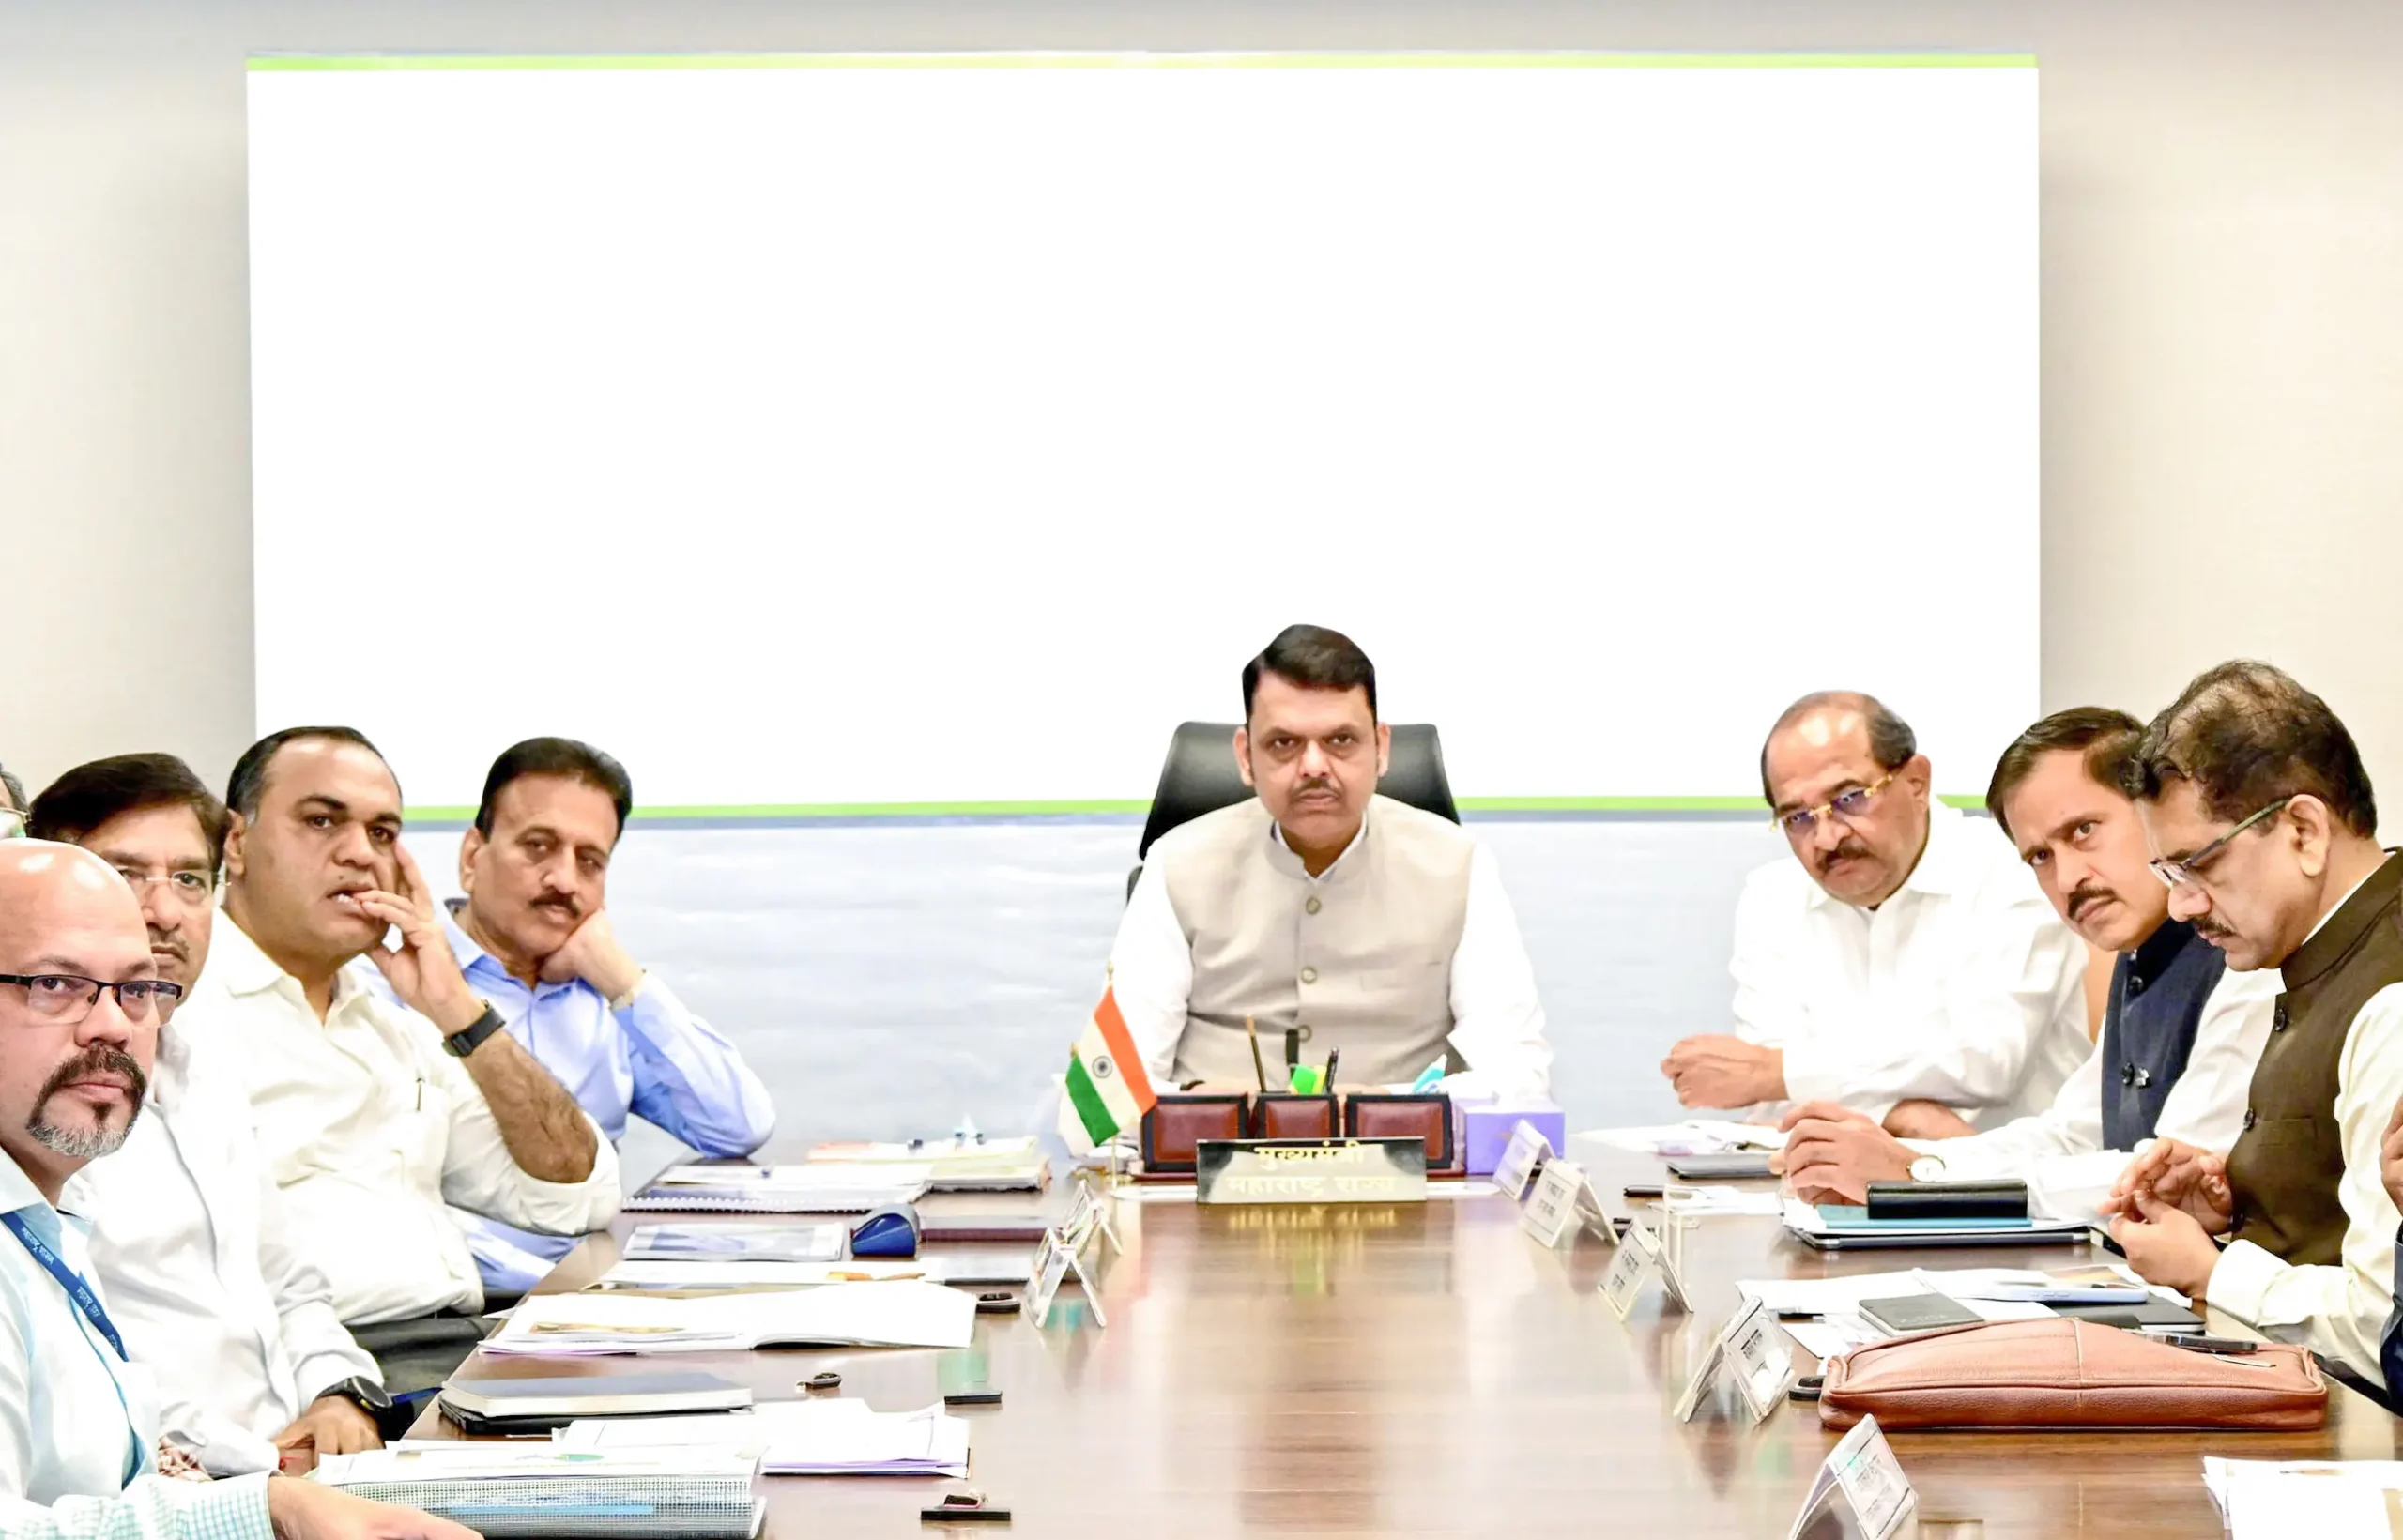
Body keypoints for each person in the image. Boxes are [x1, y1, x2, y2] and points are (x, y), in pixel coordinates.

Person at [0, 839, 474, 1540]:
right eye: (55, 984)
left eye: (137, 989)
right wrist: (267, 1508)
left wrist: (273, 1479)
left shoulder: (55, 1211)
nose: (113, 1025)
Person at [174, 726, 619, 1391]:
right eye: (321, 821)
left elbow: (574, 1195)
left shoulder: (396, 1024)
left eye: (382, 833)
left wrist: (458, 1008)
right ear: (235, 843)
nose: (359, 853)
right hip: (323, 1372)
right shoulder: (175, 1015)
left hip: (462, 1348)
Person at [36, 755, 393, 1475]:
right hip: (178, 1482)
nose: (165, 912)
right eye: (126, 874)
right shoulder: (43, 1098)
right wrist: (267, 1464)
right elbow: (82, 1366)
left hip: (297, 1465)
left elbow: (290, 1283)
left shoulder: (205, 1062)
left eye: (190, 880)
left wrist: (340, 1393)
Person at [1778, 709, 2278, 1208]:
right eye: (2040, 856)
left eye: (2083, 831)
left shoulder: (2243, 960)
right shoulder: (2141, 958)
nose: (2068, 879)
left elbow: (2168, 1183)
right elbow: (2072, 1137)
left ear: (2154, 812)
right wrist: (1900, 1161)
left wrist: (1920, 1175)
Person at [2104, 661, 2403, 1391]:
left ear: (2304, 829)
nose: (2182, 906)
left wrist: (2210, 1271)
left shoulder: (2390, 995)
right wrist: (2238, 1200)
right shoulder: (2320, 956)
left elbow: (2381, 1325)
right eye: (2170, 875)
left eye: (2198, 865)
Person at [1109, 624, 1550, 1097]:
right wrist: (1202, 1107)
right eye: (1284, 743)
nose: (1314, 767)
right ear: (1245, 756)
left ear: (1381, 748)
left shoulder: (1459, 866)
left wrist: (1386, 1106)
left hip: (1401, 1141)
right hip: (1214, 1141)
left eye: (1341, 740)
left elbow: (1520, 1080)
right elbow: (1105, 1093)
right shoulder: (1177, 864)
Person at [424, 737, 773, 1291]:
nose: (564, 881)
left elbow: (737, 1127)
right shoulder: (400, 983)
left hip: (593, 1301)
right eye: (538, 847)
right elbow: (399, 1214)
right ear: (472, 857)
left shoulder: (599, 999)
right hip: (458, 1307)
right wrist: (569, 1287)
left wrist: (618, 975)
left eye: (589, 862)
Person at [1661, 691, 2088, 1130]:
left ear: (1917, 782)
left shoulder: (2013, 869)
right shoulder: (1773, 898)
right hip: (1832, 1169)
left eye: (1849, 798)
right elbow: (1766, 1100)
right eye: (1798, 818)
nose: (1826, 838)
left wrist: (1785, 1073)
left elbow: (1989, 1061)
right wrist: (1902, 1116)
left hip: (2014, 1169)